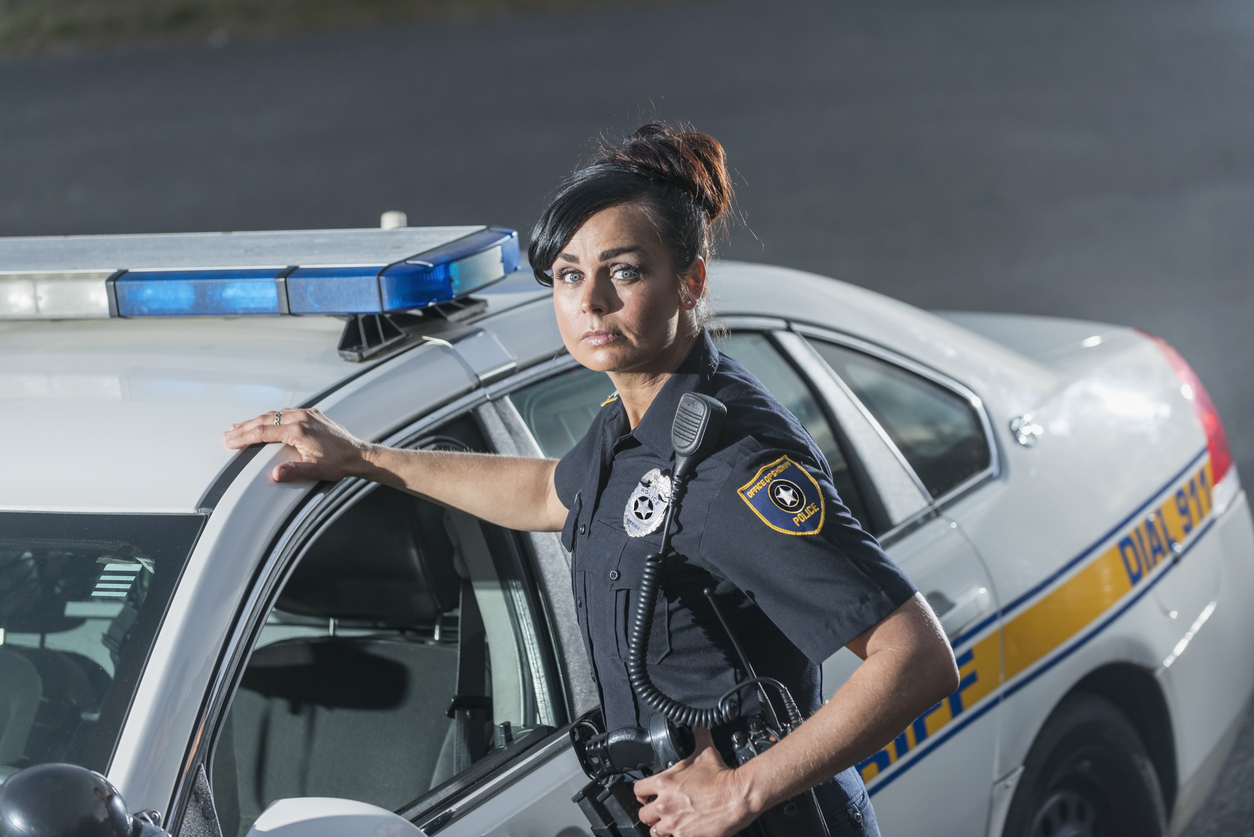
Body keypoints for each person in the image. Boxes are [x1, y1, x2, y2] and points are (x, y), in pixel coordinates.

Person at [224, 123, 958, 837]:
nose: (590, 301)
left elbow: (916, 656)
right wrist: (366, 458)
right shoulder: (633, 422)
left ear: (691, 280)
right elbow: (550, 494)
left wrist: (741, 789)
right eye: (570, 275)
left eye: (625, 271)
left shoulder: (734, 463)